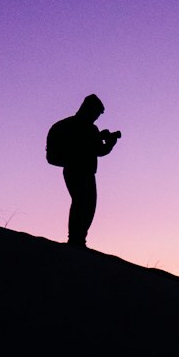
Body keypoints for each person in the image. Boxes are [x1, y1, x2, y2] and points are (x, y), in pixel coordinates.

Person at [60, 94, 122, 249]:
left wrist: (102, 139)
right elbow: (98, 150)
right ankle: (76, 240)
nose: (96, 118)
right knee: (82, 203)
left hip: (81, 171)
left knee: (87, 205)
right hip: (79, 171)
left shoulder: (72, 125)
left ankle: (79, 239)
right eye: (96, 113)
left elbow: (94, 148)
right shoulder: (83, 128)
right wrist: (110, 144)